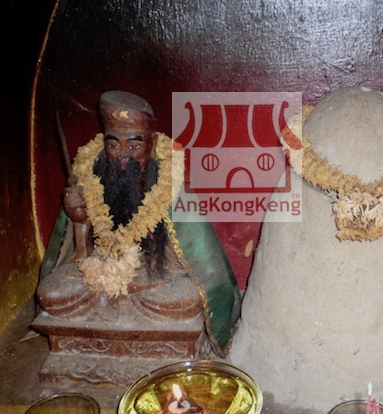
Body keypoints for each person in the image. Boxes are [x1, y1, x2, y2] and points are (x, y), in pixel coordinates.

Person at [36, 91, 241, 357]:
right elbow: (77, 258)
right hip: (98, 270)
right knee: (51, 293)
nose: (123, 155)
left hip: (154, 277)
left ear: (152, 143)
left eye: (134, 147)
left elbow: (191, 258)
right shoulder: (89, 173)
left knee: (185, 300)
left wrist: (142, 269)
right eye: (113, 145)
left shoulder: (170, 179)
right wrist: (79, 222)